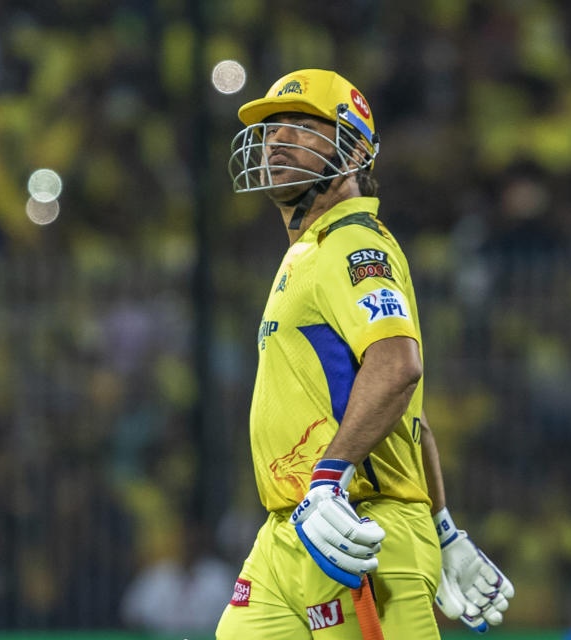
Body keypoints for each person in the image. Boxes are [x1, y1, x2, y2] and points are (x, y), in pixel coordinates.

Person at [216, 69, 514, 639]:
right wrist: (444, 526)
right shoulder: (310, 251)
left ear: (353, 150)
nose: (276, 140)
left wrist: (330, 477)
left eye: (302, 128)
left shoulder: (353, 244)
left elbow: (398, 367)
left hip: (359, 529)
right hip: (294, 527)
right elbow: (409, 417)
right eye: (272, 130)